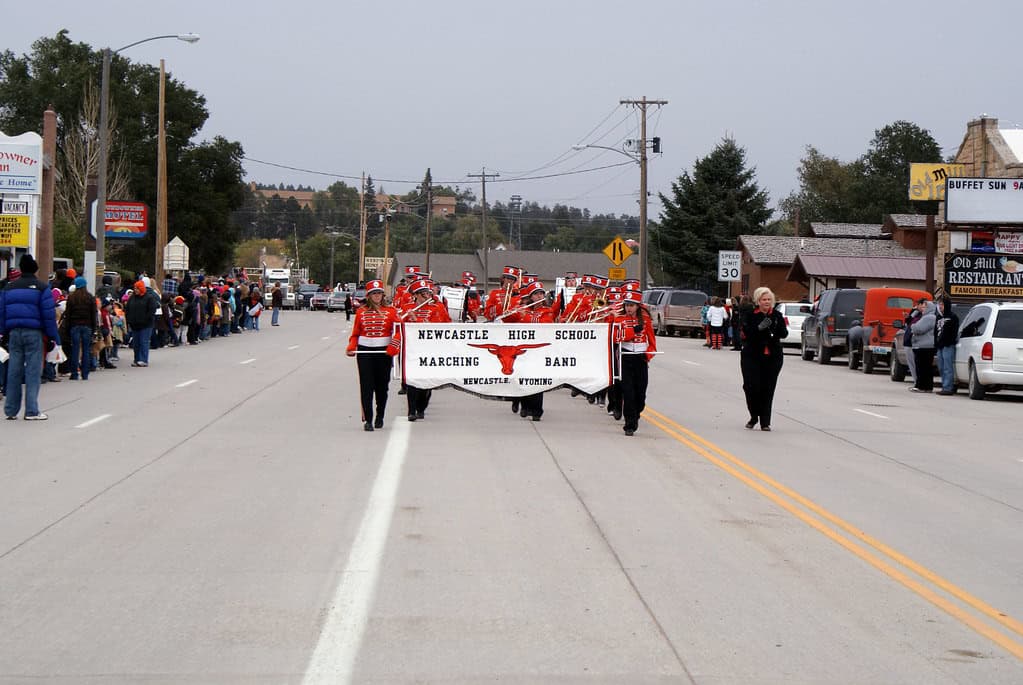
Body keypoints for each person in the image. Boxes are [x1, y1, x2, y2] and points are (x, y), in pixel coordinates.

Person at [1, 254, 62, 420]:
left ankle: (11, 410)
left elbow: (2, 313)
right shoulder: (42, 288)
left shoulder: (8, 288)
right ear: (35, 269)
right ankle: (32, 411)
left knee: (14, 370)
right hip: (34, 333)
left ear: (20, 269)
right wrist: (53, 337)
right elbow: (48, 315)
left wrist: (2, 332)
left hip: (14, 333)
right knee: (33, 371)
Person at [346, 280, 400, 431]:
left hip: (383, 352)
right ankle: (368, 419)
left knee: (382, 387)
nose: (377, 296)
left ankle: (380, 416)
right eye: (374, 293)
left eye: (379, 293)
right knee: (366, 386)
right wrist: (351, 346)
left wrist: (393, 346)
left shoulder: (391, 311)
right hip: (364, 352)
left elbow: (398, 331)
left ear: (382, 295)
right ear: (368, 296)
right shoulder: (361, 311)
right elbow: (356, 333)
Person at [398, 278, 450, 421]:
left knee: (426, 383)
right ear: (415, 295)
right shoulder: (407, 307)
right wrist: (404, 319)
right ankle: (411, 410)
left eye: (427, 293)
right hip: (411, 350)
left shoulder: (436, 308)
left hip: (429, 349)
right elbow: (398, 326)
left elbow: (436, 327)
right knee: (412, 380)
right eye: (422, 294)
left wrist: (416, 320)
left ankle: (421, 407)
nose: (426, 297)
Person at [503, 280, 554, 420]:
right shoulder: (523, 310)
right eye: (536, 294)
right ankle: (525, 406)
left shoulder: (547, 311)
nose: (539, 296)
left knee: (537, 379)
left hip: (539, 350)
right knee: (523, 378)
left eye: (541, 294)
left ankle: (537, 410)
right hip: (523, 350)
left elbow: (545, 325)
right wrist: (514, 312)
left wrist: (525, 316)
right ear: (530, 297)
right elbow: (505, 320)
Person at [740, 286, 788, 432]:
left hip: (772, 356)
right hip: (752, 355)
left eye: (769, 299)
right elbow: (746, 334)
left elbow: (784, 334)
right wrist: (759, 327)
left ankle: (765, 422)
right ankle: (754, 415)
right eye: (764, 299)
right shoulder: (750, 314)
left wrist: (775, 325)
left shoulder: (777, 315)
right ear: (758, 301)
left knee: (767, 388)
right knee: (750, 386)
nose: (767, 302)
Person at [614, 290, 657, 436]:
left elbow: (652, 343)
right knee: (628, 392)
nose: (629, 308)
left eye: (632, 305)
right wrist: (634, 330)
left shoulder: (645, 320)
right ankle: (629, 425)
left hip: (641, 358)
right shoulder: (619, 320)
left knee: (640, 394)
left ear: (638, 306)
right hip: (626, 357)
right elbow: (618, 337)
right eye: (627, 305)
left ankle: (635, 413)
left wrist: (648, 355)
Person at [64, 276, 97, 381]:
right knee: (86, 350)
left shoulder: (71, 298)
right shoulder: (90, 298)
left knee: (75, 349)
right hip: (87, 326)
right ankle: (85, 373)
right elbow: (93, 314)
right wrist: (94, 327)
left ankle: (74, 373)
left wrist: (67, 328)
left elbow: (68, 315)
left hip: (74, 326)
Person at [125, 280, 159, 367]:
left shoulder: (149, 298)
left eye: (137, 288)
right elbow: (127, 309)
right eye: (135, 288)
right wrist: (129, 319)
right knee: (136, 343)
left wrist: (146, 319)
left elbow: (152, 310)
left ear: (141, 288)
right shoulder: (132, 298)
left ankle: (143, 359)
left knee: (143, 342)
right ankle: (136, 359)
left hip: (146, 325)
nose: (135, 290)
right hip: (134, 324)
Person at [910, 298, 937, 393]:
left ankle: (922, 386)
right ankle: (927, 386)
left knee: (922, 367)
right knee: (925, 367)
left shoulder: (929, 317)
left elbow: (919, 329)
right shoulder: (926, 317)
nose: (922, 308)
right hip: (924, 345)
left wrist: (912, 326)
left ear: (929, 307)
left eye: (924, 306)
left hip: (924, 346)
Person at [934, 296, 959, 395]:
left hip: (948, 345)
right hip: (940, 346)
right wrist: (936, 343)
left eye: (942, 304)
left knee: (947, 367)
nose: (940, 306)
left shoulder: (952, 317)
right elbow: (935, 331)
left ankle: (948, 388)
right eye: (939, 304)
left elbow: (954, 332)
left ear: (947, 305)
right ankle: (945, 385)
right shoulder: (938, 317)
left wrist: (948, 341)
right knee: (940, 366)